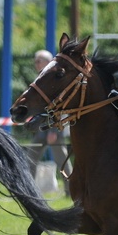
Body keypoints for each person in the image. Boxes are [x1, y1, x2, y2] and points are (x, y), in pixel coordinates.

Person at [27, 50, 71, 197]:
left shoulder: (57, 79)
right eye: (35, 61)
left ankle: (70, 191)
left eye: (39, 60)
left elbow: (62, 107)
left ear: (48, 62)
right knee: (31, 158)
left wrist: (55, 131)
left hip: (54, 129)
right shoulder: (39, 80)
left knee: (62, 162)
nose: (36, 63)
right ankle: (29, 191)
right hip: (41, 129)